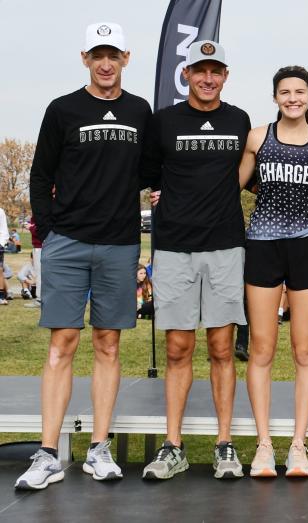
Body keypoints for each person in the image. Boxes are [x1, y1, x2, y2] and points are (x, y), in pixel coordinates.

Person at [15, 22, 151, 490]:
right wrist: (49, 234)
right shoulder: (62, 109)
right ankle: (48, 453)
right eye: (98, 55)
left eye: (113, 54)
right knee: (62, 344)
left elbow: (151, 171)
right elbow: (39, 175)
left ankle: (99, 449)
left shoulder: (140, 111)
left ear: (126, 59)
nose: (106, 63)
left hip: (118, 243)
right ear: (86, 60)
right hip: (67, 244)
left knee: (108, 344)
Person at [140, 40, 251, 480]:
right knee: (177, 348)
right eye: (200, 70)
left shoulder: (239, 120)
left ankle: (225, 445)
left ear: (226, 75)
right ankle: (174, 445)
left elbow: (253, 172)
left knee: (222, 348)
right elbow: (147, 175)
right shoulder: (163, 121)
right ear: (185, 74)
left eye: (216, 70)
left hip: (225, 246)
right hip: (173, 248)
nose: (208, 78)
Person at [234, 65, 308, 479]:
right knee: (261, 348)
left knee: (305, 350)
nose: (292, 98)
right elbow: (231, 186)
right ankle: (263, 445)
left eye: (299, 91)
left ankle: (298, 444)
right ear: (275, 96)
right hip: (262, 245)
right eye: (284, 92)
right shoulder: (258, 137)